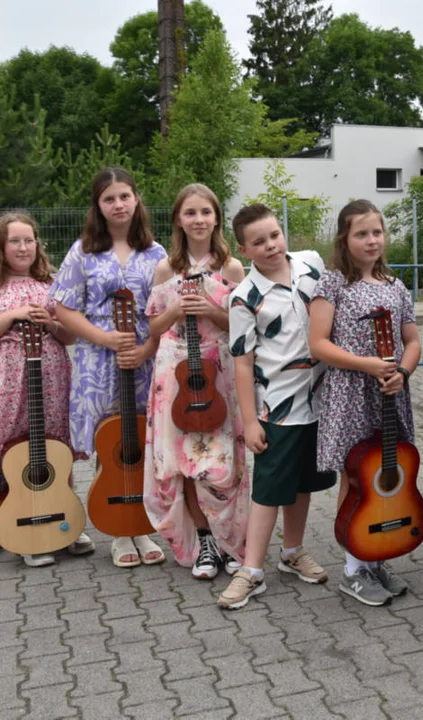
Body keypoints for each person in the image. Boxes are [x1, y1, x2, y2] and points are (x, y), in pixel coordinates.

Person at [217, 204, 335, 610]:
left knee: (303, 482)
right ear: (243, 249)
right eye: (258, 242)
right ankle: (250, 571)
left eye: (274, 235)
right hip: (278, 407)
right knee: (268, 489)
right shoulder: (243, 297)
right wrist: (250, 421)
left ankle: (293, 552)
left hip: (321, 398)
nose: (270, 246)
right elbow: (243, 362)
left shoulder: (311, 265)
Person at [50, 167, 166, 567]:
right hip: (98, 359)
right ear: (97, 206)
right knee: (110, 440)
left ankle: (144, 525)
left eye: (124, 196)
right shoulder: (83, 251)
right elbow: (62, 307)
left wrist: (148, 347)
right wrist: (102, 338)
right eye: (109, 198)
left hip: (144, 356)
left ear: (136, 199)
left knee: (142, 440)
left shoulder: (156, 253)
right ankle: (119, 532)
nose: (118, 204)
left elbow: (165, 310)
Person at [308, 200, 421, 607]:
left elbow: (413, 340)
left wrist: (402, 373)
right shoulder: (334, 282)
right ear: (345, 238)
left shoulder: (395, 284)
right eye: (361, 233)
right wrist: (368, 365)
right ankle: (353, 568)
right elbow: (318, 343)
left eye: (377, 232)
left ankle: (373, 556)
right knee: (356, 479)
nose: (371, 240)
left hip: (390, 392)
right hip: (351, 393)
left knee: (385, 473)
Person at [0, 213, 82, 567]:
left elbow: (70, 336)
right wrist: (10, 316)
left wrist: (52, 323)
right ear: (1, 246)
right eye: (15, 241)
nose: (24, 247)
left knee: (55, 446)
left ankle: (65, 520)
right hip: (6, 377)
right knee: (15, 451)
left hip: (51, 374)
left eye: (29, 240)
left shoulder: (51, 281)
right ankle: (24, 526)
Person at [143, 184, 250, 578]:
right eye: (190, 213)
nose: (199, 220)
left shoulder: (231, 268)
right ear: (178, 220)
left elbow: (243, 326)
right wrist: (175, 308)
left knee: (225, 463)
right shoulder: (166, 269)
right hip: (174, 371)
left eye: (206, 212)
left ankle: (231, 541)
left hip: (218, 369)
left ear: (217, 217)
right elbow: (153, 327)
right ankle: (204, 542)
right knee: (183, 461)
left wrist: (209, 308)